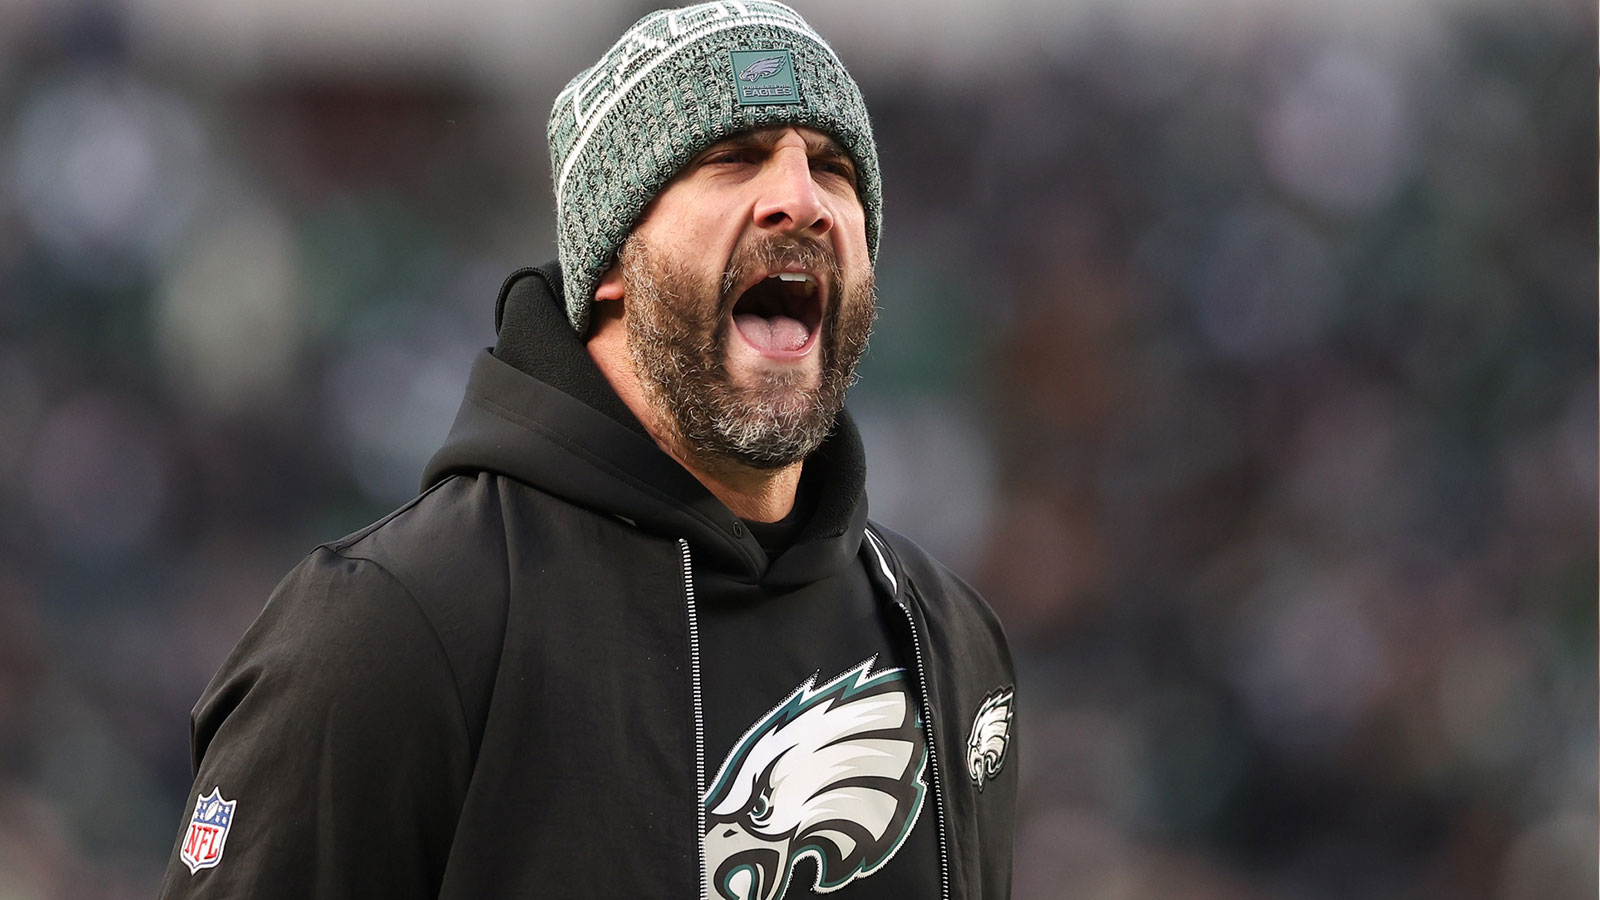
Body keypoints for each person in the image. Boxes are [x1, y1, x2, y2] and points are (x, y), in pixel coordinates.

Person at [158, 3, 1017, 898]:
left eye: (834, 170)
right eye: (733, 158)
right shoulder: (393, 627)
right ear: (611, 261)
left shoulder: (945, 636)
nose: (801, 199)